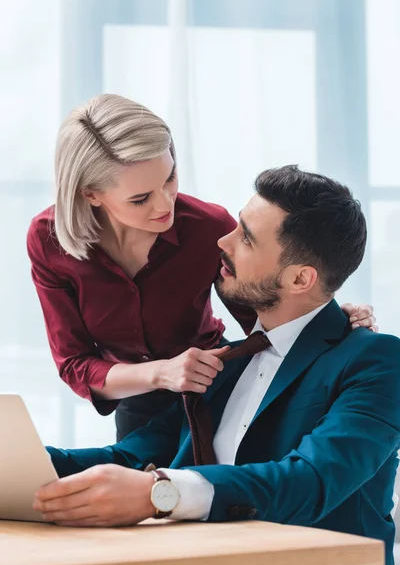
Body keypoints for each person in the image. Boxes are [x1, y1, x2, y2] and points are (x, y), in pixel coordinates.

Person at [36, 166, 400, 565]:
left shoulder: (375, 361)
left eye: (245, 237)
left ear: (300, 279)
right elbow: (129, 458)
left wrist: (158, 492)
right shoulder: (223, 363)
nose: (222, 241)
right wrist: (22, 462)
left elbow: (310, 482)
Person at [27, 94, 375, 442]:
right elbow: (75, 365)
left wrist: (325, 315)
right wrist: (163, 373)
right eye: (140, 198)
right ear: (90, 194)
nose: (166, 203)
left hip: (218, 383)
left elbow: (267, 312)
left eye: (170, 177)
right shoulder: (48, 240)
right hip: (135, 400)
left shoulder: (208, 227)